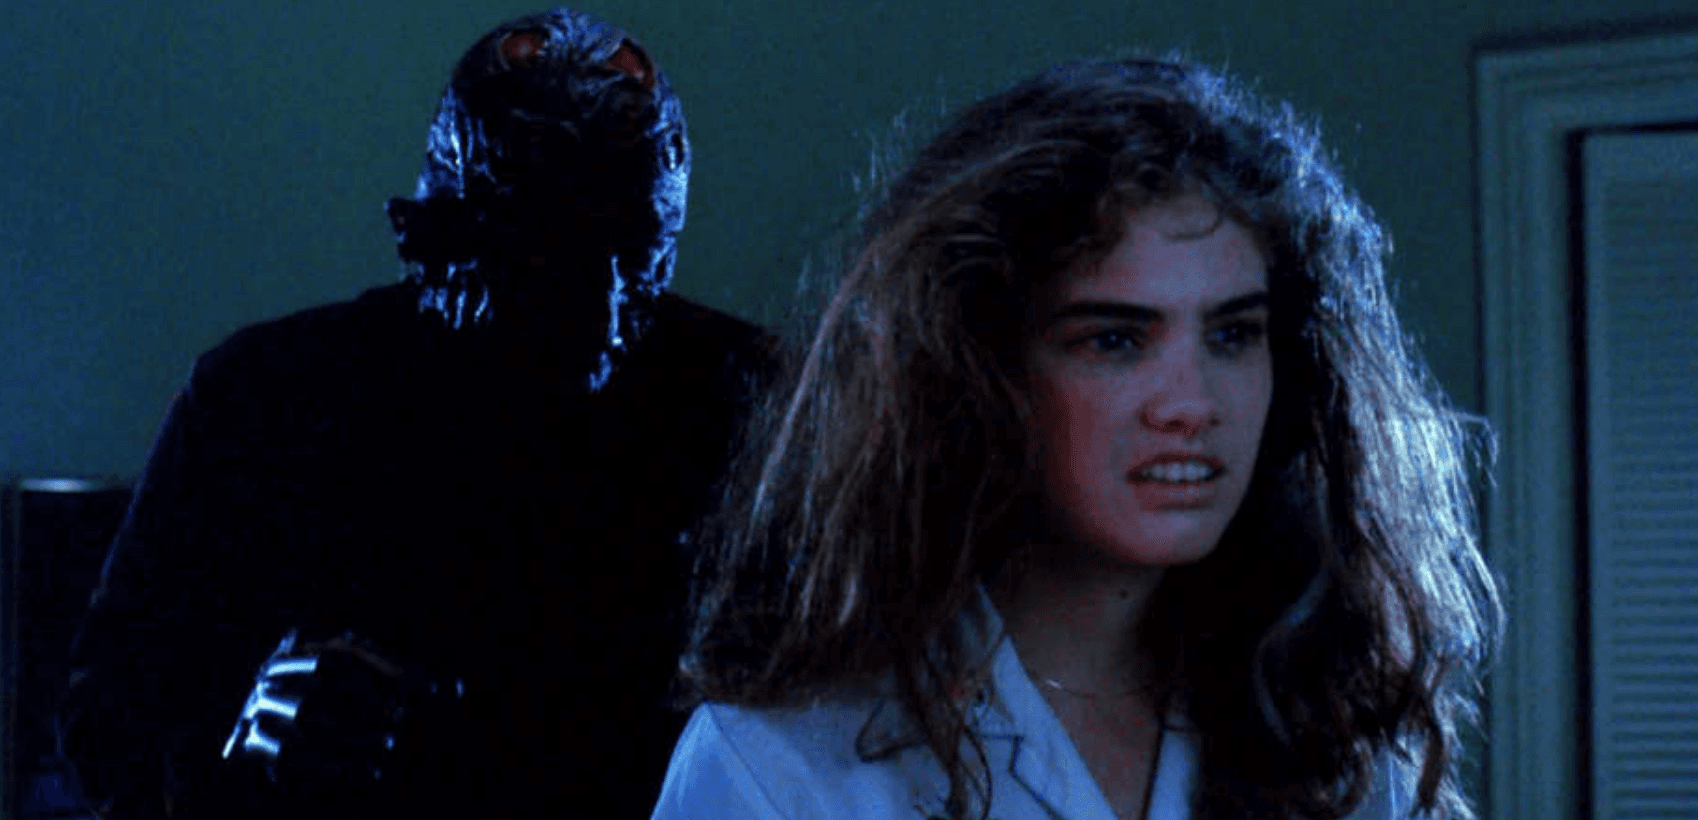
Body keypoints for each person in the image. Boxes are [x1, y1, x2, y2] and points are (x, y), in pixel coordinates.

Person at [652, 57, 1503, 820]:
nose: (1192, 404)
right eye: (1116, 339)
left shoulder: (1339, 744)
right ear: (978, 371)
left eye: (1233, 334)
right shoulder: (782, 766)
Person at [58, 9, 768, 819]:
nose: (601, 316)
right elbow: (104, 725)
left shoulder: (756, 409)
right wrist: (246, 741)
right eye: (555, 262)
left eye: (635, 255)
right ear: (433, 237)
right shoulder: (267, 402)